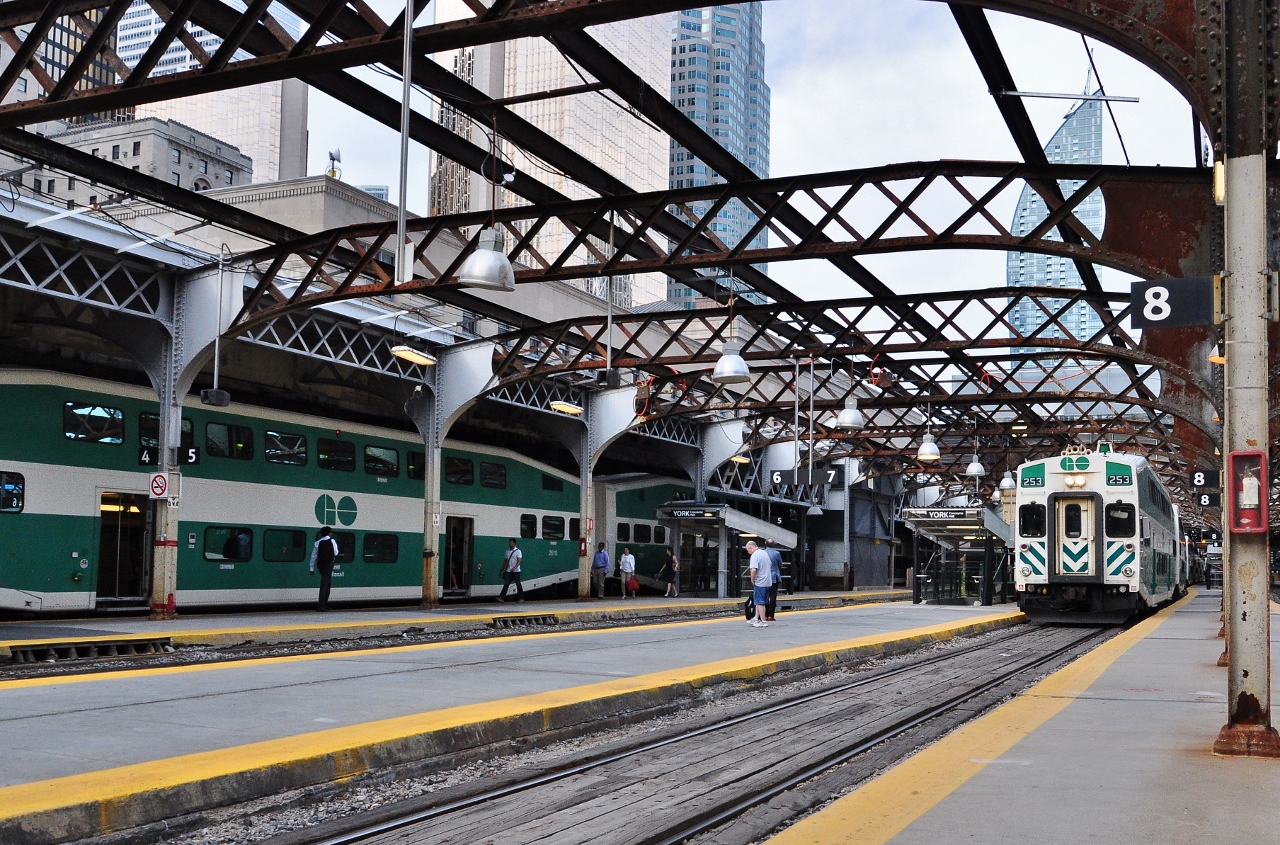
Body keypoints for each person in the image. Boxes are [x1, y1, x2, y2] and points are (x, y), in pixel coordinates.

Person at [309, 527, 339, 611]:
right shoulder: (332, 541)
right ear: (329, 533)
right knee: (325, 584)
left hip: (320, 564)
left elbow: (313, 556)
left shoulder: (317, 542)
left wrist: (311, 568)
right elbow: (336, 552)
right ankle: (321, 605)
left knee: (326, 582)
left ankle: (324, 604)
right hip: (329, 564)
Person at [746, 539, 771, 628]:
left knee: (760, 602)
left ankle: (763, 621)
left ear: (750, 547)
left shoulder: (754, 555)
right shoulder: (764, 553)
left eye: (748, 550)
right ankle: (756, 618)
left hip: (760, 582)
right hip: (768, 581)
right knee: (758, 600)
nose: (748, 552)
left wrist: (752, 580)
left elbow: (753, 570)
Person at [498, 538, 524, 602]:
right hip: (508, 571)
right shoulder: (507, 551)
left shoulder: (518, 551)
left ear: (514, 543)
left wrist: (514, 567)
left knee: (518, 584)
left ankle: (521, 598)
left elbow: (519, 561)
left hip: (516, 571)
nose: (510, 544)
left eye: (511, 542)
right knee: (506, 584)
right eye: (510, 542)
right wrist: (501, 570)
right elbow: (505, 561)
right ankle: (502, 598)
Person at [764, 539, 784, 622]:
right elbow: (780, 565)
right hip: (773, 577)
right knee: (772, 597)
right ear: (774, 545)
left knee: (764, 596)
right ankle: (770, 616)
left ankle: (764, 615)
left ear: (765, 544)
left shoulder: (762, 552)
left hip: (763, 577)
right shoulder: (777, 553)